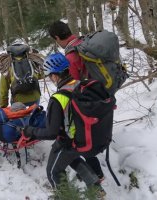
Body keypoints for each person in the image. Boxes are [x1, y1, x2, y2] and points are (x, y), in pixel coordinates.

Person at [22, 53, 105, 198]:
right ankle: (96, 189)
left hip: (69, 142)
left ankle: (66, 197)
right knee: (73, 159)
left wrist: (30, 131)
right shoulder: (81, 85)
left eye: (49, 76)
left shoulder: (58, 98)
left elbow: (51, 133)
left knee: (53, 172)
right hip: (86, 137)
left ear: (54, 76)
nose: (50, 79)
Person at [48, 20, 105, 182]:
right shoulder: (83, 42)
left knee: (80, 138)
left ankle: (95, 176)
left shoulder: (71, 55)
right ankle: (97, 174)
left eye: (55, 40)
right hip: (97, 95)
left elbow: (71, 84)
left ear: (57, 37)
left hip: (85, 101)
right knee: (86, 137)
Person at [0, 43, 41, 108]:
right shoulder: (32, 61)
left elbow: (4, 89)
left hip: (18, 101)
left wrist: (3, 106)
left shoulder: (7, 65)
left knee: (19, 117)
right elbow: (40, 75)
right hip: (35, 98)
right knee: (35, 116)